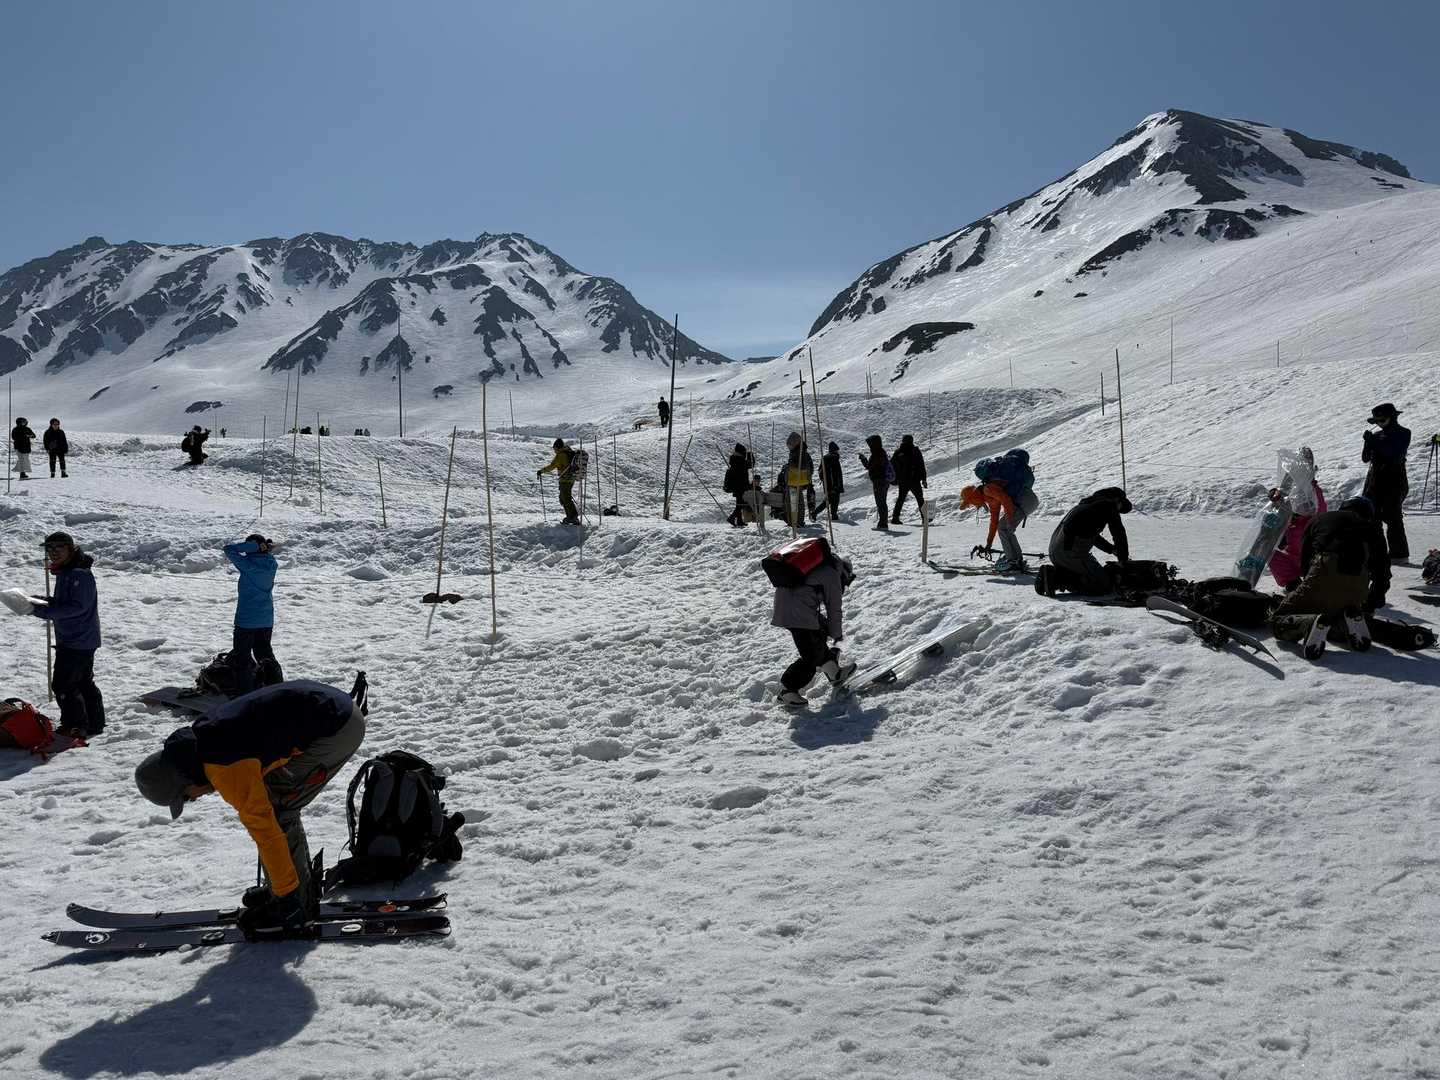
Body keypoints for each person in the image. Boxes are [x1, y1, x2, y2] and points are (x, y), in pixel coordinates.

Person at [134, 680, 366, 937]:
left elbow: (265, 829)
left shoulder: (225, 767)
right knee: (272, 797)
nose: (194, 799)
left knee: (279, 809)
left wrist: (286, 896)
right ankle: (285, 887)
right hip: (332, 706)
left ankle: (297, 904)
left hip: (337, 727)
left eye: (186, 798)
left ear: (185, 780)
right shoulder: (202, 739)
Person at [1271, 497, 1391, 657]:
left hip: (1323, 573)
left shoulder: (1320, 519)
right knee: (1335, 612)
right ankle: (1344, 623)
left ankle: (1309, 623)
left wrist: (1309, 592)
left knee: (1278, 619)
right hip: (1357, 587)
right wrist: (1370, 605)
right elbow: (1382, 573)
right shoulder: (1374, 529)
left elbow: (1305, 561)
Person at [30, 532, 105, 737]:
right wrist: (41, 602)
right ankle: (94, 723)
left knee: (63, 684)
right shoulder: (68, 571)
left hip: (77, 640)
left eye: (59, 547)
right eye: (50, 548)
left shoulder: (78, 574)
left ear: (71, 549)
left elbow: (77, 607)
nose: (53, 552)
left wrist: (41, 611)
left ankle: (75, 725)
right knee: (82, 682)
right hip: (78, 638)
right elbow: (65, 602)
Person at [771, 546, 856, 706]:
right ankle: (788, 691)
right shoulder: (832, 574)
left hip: (790, 605)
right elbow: (834, 609)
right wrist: (837, 636)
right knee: (812, 656)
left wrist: (829, 631)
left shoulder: (821, 566)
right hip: (798, 610)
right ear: (844, 573)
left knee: (820, 632)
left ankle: (833, 672)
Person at [1040, 487, 1132, 596]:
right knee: (1103, 586)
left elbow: (1091, 536)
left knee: (1099, 577)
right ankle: (1056, 578)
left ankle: (1060, 574)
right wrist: (1123, 561)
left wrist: (1111, 549)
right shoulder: (1108, 506)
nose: (1117, 512)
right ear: (1117, 500)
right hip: (1069, 554)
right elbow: (1119, 534)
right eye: (1120, 507)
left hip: (1057, 551)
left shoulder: (1087, 505)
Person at [224, 535, 280, 694]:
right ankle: (277, 690)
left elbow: (229, 550)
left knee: (242, 660)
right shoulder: (271, 563)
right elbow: (265, 554)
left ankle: (245, 695)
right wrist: (262, 548)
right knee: (266, 656)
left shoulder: (248, 564)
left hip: (246, 621)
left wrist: (253, 546)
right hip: (266, 619)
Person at [1268, 447, 1327, 591]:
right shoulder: (1292, 488)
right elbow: (1283, 502)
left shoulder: (1313, 491)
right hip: (1293, 554)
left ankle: (1313, 584)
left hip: (1312, 555)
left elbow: (1318, 511)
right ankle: (1292, 583)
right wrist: (1276, 496)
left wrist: (1297, 513)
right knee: (1271, 555)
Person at [971, 448, 1039, 571]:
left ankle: (1012, 561)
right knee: (1004, 527)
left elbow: (1006, 500)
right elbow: (994, 521)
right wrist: (989, 543)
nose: (978, 506)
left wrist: (1009, 520)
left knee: (1004, 527)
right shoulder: (991, 494)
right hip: (1028, 499)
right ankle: (1016, 559)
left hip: (1024, 500)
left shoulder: (988, 490)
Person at [1361, 402, 1410, 561]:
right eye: (1377, 421)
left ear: (1392, 417)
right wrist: (1367, 443)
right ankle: (1377, 553)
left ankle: (1399, 554)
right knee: (1372, 517)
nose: (1379, 424)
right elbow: (1365, 458)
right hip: (1375, 480)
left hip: (1395, 480)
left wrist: (1374, 442)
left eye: (1382, 420)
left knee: (1393, 517)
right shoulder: (1376, 436)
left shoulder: (1404, 433)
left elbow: (1395, 454)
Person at [537, 438, 581, 525]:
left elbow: (552, 466)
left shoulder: (560, 455)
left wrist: (541, 471)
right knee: (563, 498)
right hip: (570, 479)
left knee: (565, 498)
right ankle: (571, 516)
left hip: (565, 480)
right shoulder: (568, 452)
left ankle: (572, 517)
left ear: (557, 447)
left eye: (554, 448)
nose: (554, 450)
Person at [890, 434, 927, 524]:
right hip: (914, 480)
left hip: (903, 480)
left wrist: (895, 478)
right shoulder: (915, 451)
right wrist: (924, 479)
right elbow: (921, 465)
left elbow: (891, 465)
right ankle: (925, 518)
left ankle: (895, 518)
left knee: (901, 499)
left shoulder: (898, 452)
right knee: (920, 499)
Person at [779, 433, 814, 524]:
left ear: (795, 443)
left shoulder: (798, 453)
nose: (789, 447)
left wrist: (787, 467)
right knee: (798, 501)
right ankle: (798, 520)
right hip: (800, 481)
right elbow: (810, 467)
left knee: (793, 502)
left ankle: (795, 521)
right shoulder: (803, 452)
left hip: (794, 480)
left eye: (790, 445)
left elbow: (797, 466)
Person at [858, 435, 891, 531]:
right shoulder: (881, 452)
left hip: (879, 481)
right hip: (883, 481)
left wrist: (863, 459)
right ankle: (883, 523)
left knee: (880, 502)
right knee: (882, 502)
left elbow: (869, 466)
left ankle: (883, 524)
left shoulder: (877, 454)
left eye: (870, 444)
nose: (869, 446)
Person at [722, 443, 754, 527]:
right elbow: (751, 464)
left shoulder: (735, 460)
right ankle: (732, 518)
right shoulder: (740, 461)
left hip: (736, 486)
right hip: (741, 486)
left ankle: (739, 521)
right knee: (741, 504)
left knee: (739, 503)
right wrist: (750, 454)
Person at [821, 442, 843, 520]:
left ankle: (815, 513)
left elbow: (821, 471)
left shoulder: (825, 458)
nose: (838, 452)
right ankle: (834, 515)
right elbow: (835, 473)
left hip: (828, 484)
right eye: (837, 450)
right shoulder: (834, 458)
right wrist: (835, 485)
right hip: (834, 484)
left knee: (830, 500)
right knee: (834, 500)